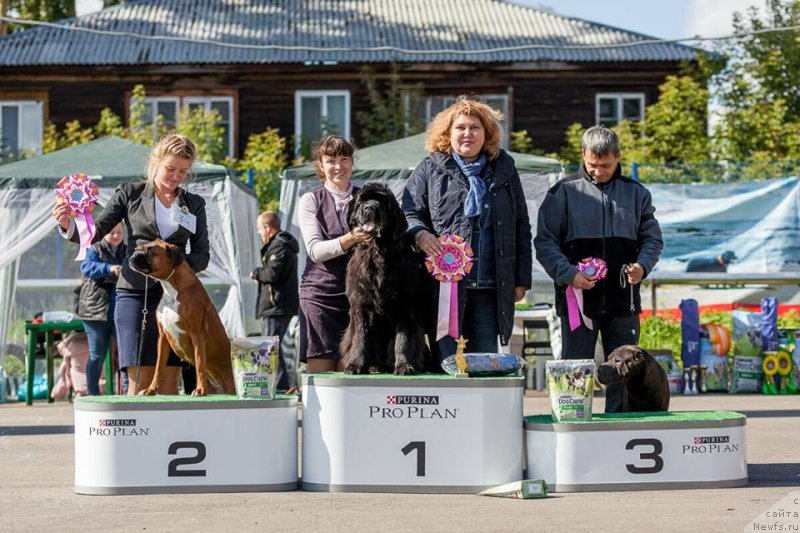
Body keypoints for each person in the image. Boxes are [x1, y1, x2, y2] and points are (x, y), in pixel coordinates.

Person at [53, 133, 210, 395]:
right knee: (139, 383)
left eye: (183, 171)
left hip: (175, 298)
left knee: (169, 384)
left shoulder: (194, 204)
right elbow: (98, 230)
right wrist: (68, 225)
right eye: (170, 168)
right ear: (156, 162)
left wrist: (171, 268)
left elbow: (202, 256)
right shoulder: (130, 193)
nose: (176, 176)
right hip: (134, 292)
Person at [534, 125, 663, 413]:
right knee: (575, 366)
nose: (598, 171)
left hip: (623, 300)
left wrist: (643, 266)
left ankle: (619, 424)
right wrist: (569, 274)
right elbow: (544, 243)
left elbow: (652, 239)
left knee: (624, 370)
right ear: (583, 155)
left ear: (618, 157)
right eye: (592, 164)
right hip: (577, 300)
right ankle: (571, 419)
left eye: (605, 165)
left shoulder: (637, 193)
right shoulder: (562, 192)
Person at [403, 96, 533, 363]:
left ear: (487, 133)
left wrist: (521, 280)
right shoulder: (429, 168)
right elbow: (407, 212)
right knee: (447, 364)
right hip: (443, 290)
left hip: (490, 287)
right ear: (447, 133)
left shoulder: (506, 170)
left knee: (483, 364)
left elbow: (521, 225)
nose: (467, 134)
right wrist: (420, 233)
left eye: (475, 127)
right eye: (460, 127)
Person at [297, 135, 372, 372]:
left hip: (360, 297)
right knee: (321, 372)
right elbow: (315, 250)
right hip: (320, 296)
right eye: (331, 161)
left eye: (344, 159)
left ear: (352, 162)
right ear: (320, 165)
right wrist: (350, 239)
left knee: (353, 371)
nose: (338, 167)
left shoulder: (368, 199)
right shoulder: (310, 200)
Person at [251, 210, 299, 392]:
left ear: (267, 227)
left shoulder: (278, 246)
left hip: (276, 306)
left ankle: (280, 387)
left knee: (270, 348)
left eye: (259, 229)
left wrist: (256, 273)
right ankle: (281, 385)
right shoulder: (281, 245)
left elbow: (272, 274)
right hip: (278, 305)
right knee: (273, 348)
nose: (259, 233)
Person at [76, 223, 126, 395]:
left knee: (126, 355)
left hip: (120, 311)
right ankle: (93, 393)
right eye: (112, 232)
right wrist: (109, 268)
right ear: (104, 233)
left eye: (119, 232)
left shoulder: (128, 251)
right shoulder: (94, 249)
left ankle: (128, 393)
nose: (116, 235)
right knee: (97, 355)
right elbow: (87, 267)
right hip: (95, 311)